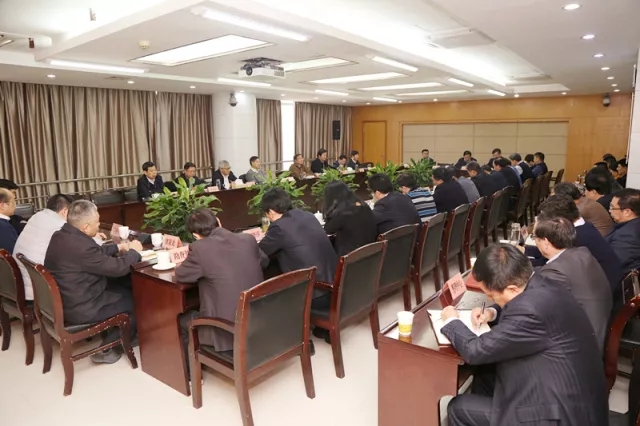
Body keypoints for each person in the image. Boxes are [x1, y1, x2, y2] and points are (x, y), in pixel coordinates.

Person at [442, 244, 609, 426]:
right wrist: (492, 312)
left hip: (559, 415)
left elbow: (476, 350)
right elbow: (520, 302)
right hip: (571, 389)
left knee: (459, 407)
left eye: (491, 296)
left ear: (512, 289)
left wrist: (452, 320)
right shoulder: (541, 280)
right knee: (485, 372)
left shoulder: (530, 311)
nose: (490, 299)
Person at [44, 200, 142, 364]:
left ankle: (127, 332)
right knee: (137, 302)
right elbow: (117, 268)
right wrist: (134, 252)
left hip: (68, 299)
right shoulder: (81, 247)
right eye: (97, 222)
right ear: (86, 227)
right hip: (82, 308)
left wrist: (118, 247)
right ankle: (109, 348)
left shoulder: (61, 235)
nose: (99, 225)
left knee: (124, 287)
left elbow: (93, 252)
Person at [175, 208, 268, 372]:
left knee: (181, 321)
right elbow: (264, 261)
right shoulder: (247, 239)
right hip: (257, 319)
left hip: (227, 330)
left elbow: (181, 275)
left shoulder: (199, 248)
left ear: (195, 235)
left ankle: (193, 376)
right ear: (218, 221)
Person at [533, 217, 612, 354]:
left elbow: (536, 308)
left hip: (577, 347)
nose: (535, 242)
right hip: (596, 329)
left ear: (545, 242)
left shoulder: (555, 271)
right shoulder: (582, 253)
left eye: (535, 238)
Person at [530, 195, 624, 297]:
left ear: (559, 222)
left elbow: (551, 264)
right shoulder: (584, 228)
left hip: (598, 294)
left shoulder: (576, 238)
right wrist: (526, 250)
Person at [259, 188, 337, 286]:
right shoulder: (308, 215)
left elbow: (259, 251)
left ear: (271, 212)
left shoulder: (279, 227)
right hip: (334, 279)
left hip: (313, 287)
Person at [13, 194, 74, 301]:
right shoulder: (58, 225)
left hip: (23, 284)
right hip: (39, 291)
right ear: (65, 211)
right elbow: (78, 246)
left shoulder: (37, 217)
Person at [322, 181, 377, 256]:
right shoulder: (363, 205)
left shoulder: (342, 212)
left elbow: (327, 229)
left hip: (351, 255)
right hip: (370, 250)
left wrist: (329, 210)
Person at [606, 188, 640, 274]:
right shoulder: (632, 225)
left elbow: (611, 263)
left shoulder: (627, 236)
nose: (610, 211)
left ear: (627, 212)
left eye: (612, 208)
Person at [0, 188, 18, 252]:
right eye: (13, 202)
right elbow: (11, 252)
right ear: (2, 205)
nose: (15, 206)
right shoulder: (3, 227)